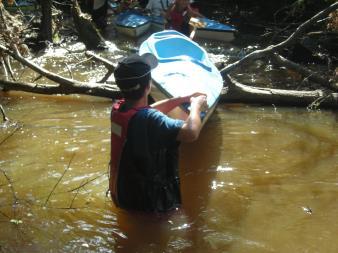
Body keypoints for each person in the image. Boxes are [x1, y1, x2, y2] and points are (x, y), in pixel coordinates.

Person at [110, 53, 207, 213]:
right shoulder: (149, 120)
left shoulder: (118, 109)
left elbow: (148, 111)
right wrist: (196, 106)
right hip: (147, 202)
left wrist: (180, 99)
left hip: (122, 191)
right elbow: (191, 133)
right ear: (148, 86)